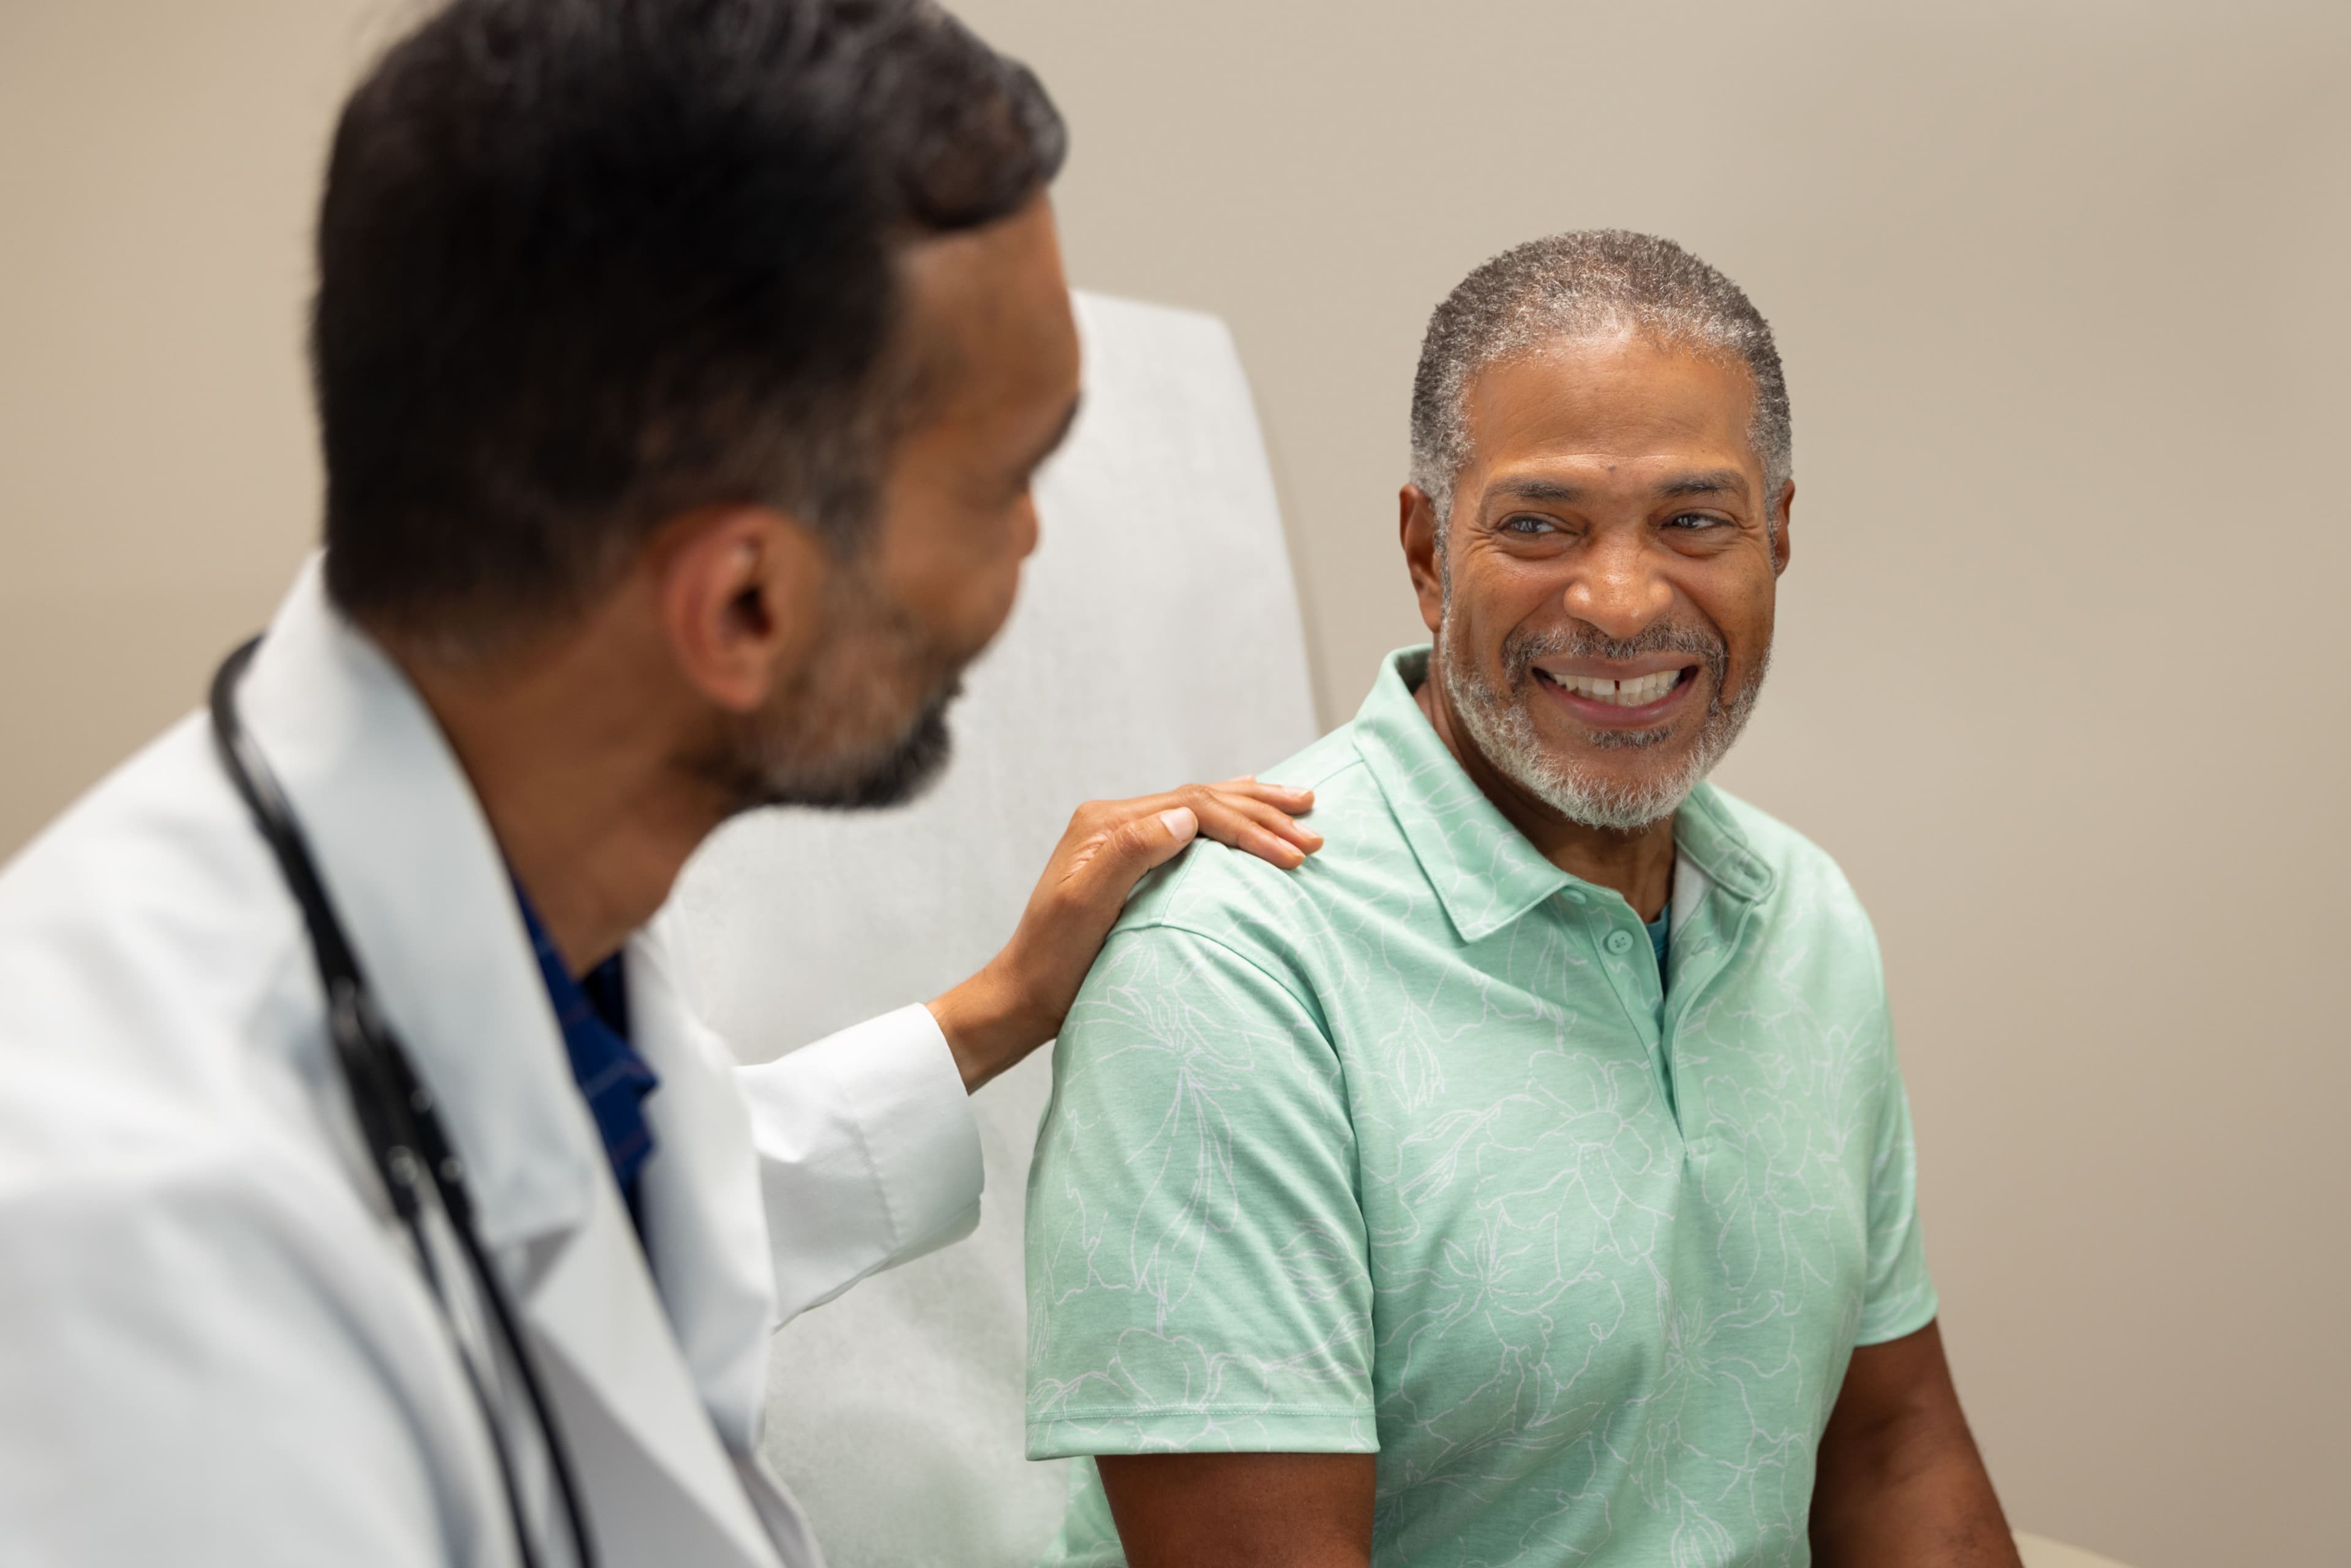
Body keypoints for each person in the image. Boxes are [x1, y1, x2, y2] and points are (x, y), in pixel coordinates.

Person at [0, 2, 1323, 1564]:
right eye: (1006, 483)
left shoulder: (509, 901)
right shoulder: (136, 1246)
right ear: (744, 606)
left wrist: (993, 1015)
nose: (1033, 546)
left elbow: (588, 1220)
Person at [1024, 231, 2022, 1567]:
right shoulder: (1230, 963)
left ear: (1778, 537)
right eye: (1540, 524)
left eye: (1695, 521)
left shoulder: (1805, 918)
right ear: (1429, 551)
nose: (1619, 602)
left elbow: (1892, 1452)